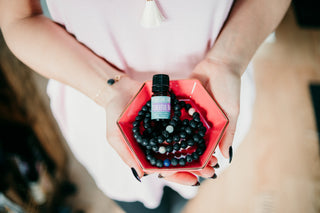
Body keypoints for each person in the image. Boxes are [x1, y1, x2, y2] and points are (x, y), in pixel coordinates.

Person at [0, 0, 291, 211]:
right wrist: (109, 90)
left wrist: (228, 59)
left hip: (213, 104)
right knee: (134, 201)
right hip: (99, 102)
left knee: (188, 187)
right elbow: (18, 19)